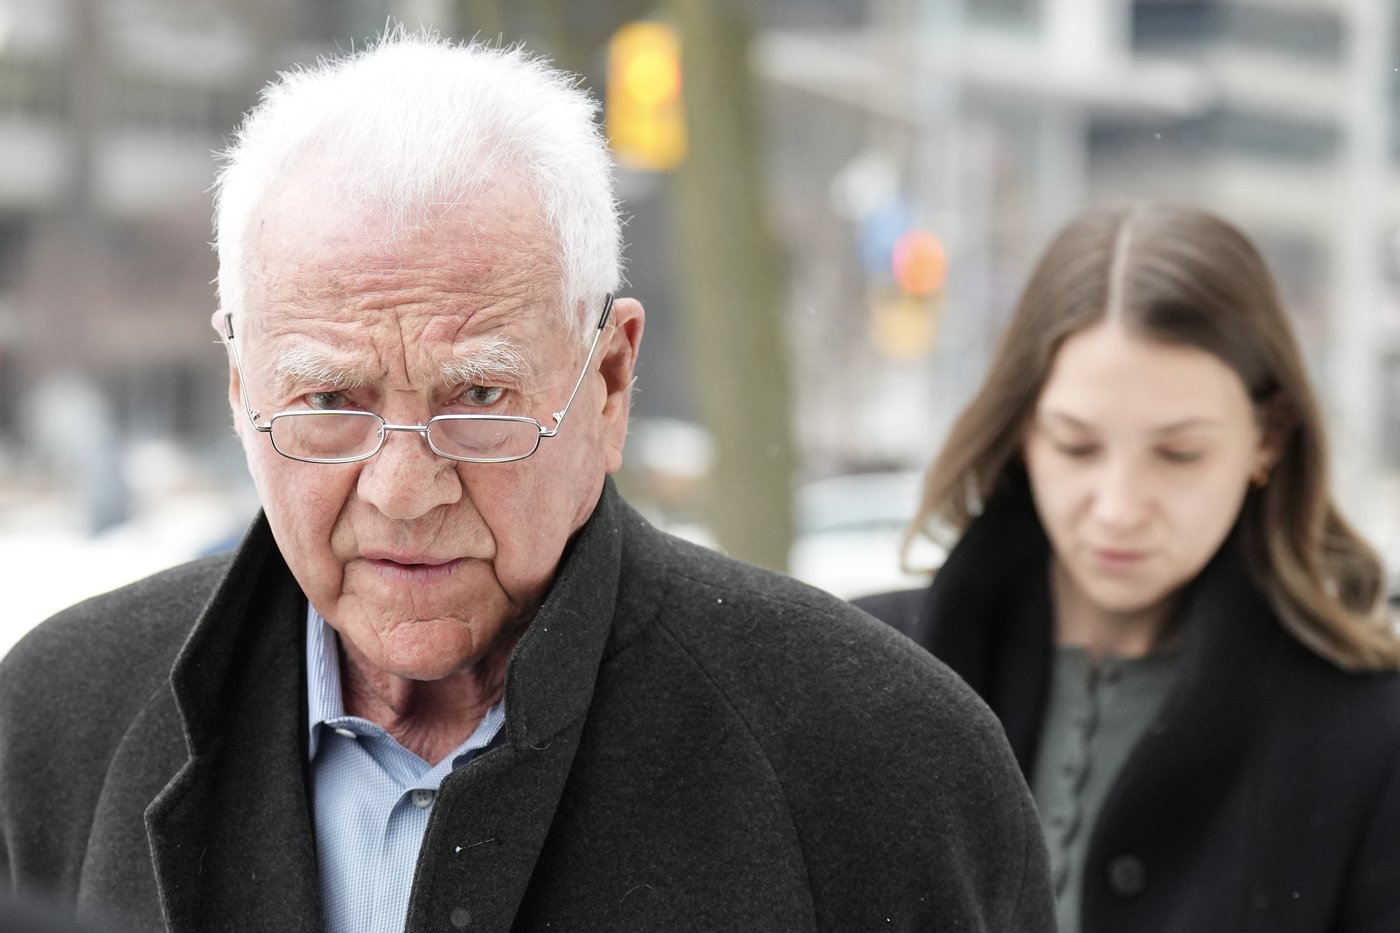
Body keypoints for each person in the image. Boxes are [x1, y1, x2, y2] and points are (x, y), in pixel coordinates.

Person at [0, 30, 1055, 933]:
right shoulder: (58, 723)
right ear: (242, 389)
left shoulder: (878, 763)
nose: (404, 487)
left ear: (609, 381)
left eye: (478, 396)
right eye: (329, 401)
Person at [857, 202, 1400, 932]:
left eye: (1178, 454)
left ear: (1268, 438)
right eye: (1076, 445)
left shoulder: (1371, 737)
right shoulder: (858, 669)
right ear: (1022, 430)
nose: (1118, 508)